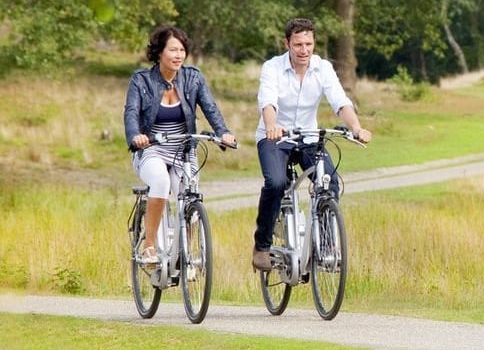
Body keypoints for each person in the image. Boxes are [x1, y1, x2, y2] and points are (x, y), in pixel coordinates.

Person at [252, 18, 373, 270]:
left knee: (329, 181)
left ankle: (327, 246)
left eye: (308, 43)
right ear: (287, 44)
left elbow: (340, 101)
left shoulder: (323, 68)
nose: (304, 50)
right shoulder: (272, 68)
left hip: (308, 138)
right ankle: (262, 245)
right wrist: (272, 125)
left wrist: (356, 128)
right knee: (275, 183)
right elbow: (268, 101)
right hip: (276, 137)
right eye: (298, 44)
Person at [124, 26, 236, 264]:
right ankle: (150, 245)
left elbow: (210, 108)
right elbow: (131, 112)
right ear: (159, 52)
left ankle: (188, 253)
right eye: (172, 49)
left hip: (183, 150)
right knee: (161, 182)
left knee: (190, 195)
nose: (178, 55)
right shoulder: (141, 80)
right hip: (151, 149)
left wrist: (223, 132)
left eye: (182, 50)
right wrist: (136, 136)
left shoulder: (193, 77)